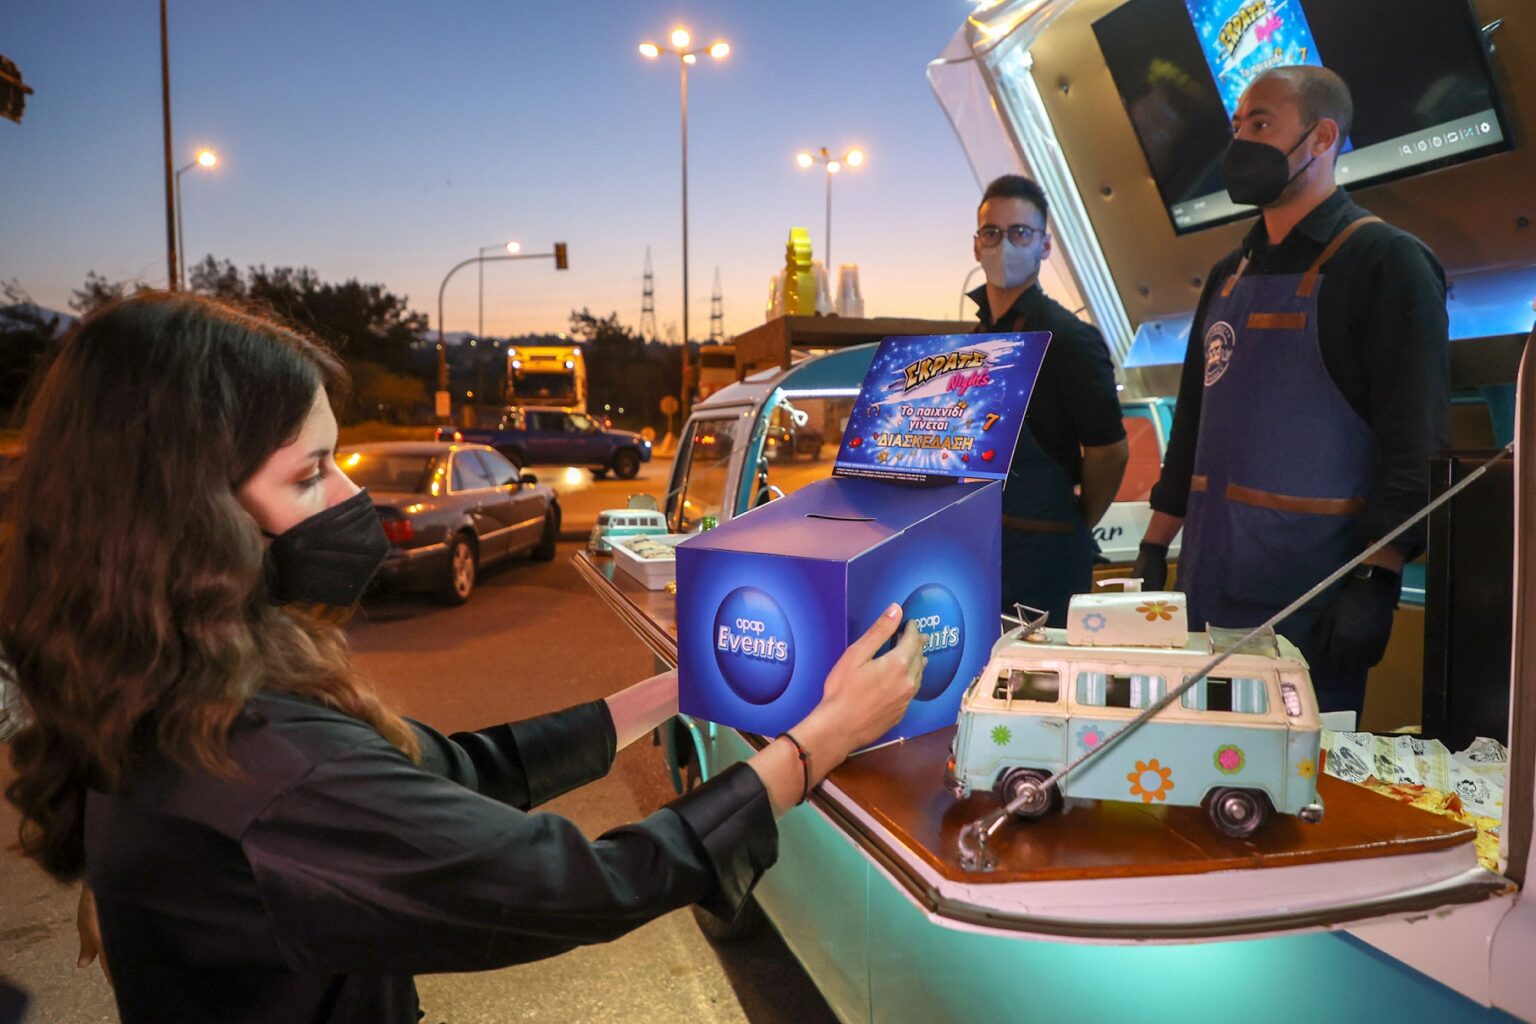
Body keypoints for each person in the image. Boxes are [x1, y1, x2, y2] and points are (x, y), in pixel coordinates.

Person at [2, 293, 926, 1024]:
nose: (348, 494)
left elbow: (447, 772)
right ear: (187, 511)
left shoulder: (159, 675)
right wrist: (818, 742)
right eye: (310, 472)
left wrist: (676, 690)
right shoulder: (258, 761)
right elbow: (577, 883)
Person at [1134, 66, 1450, 714]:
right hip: (1204, 592)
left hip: (1312, 606)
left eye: (1261, 123)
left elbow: (1414, 443)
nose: (1240, 143)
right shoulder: (1226, 275)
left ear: (1322, 137)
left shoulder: (1387, 263)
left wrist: (1379, 578)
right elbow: (1192, 424)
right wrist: (1154, 546)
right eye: (1237, 127)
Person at [970, 174, 1130, 625]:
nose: (1004, 244)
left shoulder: (1072, 339)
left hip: (1045, 558)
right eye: (992, 232)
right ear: (977, 246)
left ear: (1044, 246)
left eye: (1020, 233)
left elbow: (1110, 452)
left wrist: (1073, 520)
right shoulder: (974, 340)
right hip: (981, 551)